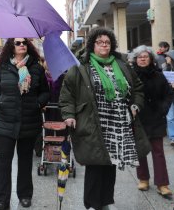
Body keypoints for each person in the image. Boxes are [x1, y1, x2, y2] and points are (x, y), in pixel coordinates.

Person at [59, 27, 151, 210]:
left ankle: (105, 202)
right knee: (95, 166)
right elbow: (67, 94)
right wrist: (69, 115)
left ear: (112, 45)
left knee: (111, 165)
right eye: (99, 42)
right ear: (93, 44)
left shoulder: (122, 64)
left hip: (118, 124)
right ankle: (92, 204)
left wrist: (135, 105)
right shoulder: (81, 67)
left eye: (107, 42)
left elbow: (138, 89)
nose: (104, 45)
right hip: (93, 122)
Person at [0, 38, 50, 209]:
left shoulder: (36, 68)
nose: (22, 44)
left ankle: (25, 195)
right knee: (3, 164)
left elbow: (45, 92)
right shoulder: (2, 67)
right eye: (18, 43)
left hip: (28, 122)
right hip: (5, 123)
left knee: (25, 161)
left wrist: (38, 103)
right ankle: (1, 200)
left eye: (24, 42)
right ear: (11, 47)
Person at [132, 45, 173, 197]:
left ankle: (162, 183)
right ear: (135, 60)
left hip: (156, 118)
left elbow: (168, 95)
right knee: (140, 151)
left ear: (150, 59)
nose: (142, 59)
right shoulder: (131, 75)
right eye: (139, 57)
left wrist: (163, 109)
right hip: (138, 119)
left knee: (158, 152)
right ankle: (143, 179)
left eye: (145, 56)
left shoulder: (158, 75)